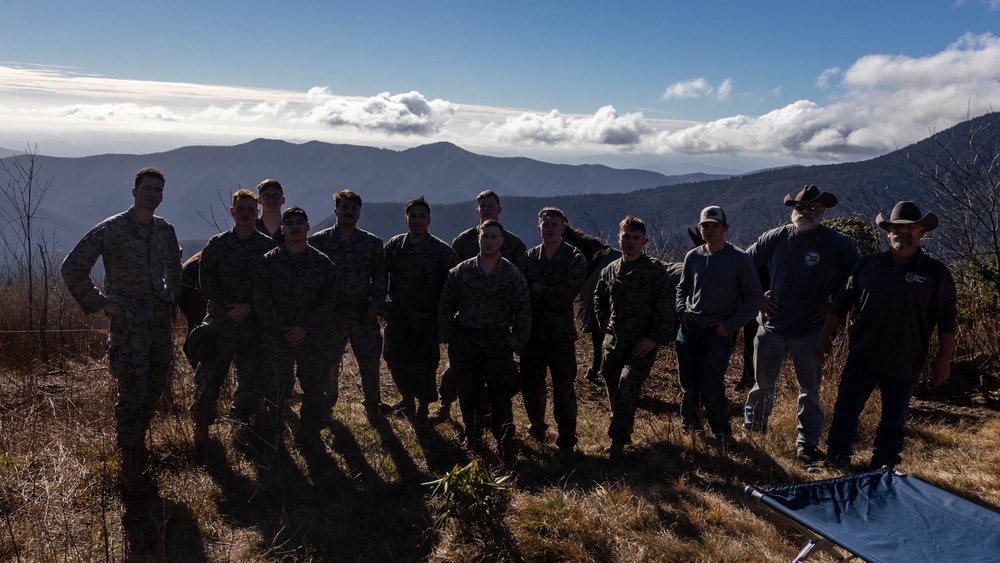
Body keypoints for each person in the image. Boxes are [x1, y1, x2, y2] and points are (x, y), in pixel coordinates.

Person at [60, 167, 182, 498]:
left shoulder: (164, 230)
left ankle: (139, 449)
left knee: (155, 388)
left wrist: (171, 292)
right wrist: (100, 302)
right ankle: (130, 465)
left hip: (159, 325)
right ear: (134, 192)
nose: (152, 194)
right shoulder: (112, 229)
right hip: (129, 329)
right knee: (131, 393)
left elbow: (175, 263)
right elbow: (72, 267)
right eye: (147, 189)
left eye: (158, 190)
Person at [820, 201, 957, 471]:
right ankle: (836, 460)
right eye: (897, 227)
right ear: (887, 231)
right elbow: (842, 302)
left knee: (893, 419)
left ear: (921, 232)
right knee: (845, 412)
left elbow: (947, 320)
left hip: (905, 359)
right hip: (862, 354)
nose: (902, 232)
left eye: (910, 227)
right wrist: (825, 335)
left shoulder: (935, 273)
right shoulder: (868, 264)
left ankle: (883, 467)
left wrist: (944, 360)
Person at [743, 185, 860, 463]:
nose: (806, 212)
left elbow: (859, 277)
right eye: (800, 207)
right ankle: (754, 434)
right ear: (792, 209)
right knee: (761, 385)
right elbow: (743, 265)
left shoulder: (837, 243)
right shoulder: (776, 237)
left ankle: (806, 444)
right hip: (771, 327)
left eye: (813, 208)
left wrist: (834, 307)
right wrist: (757, 297)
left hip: (810, 332)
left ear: (823, 211)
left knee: (810, 389)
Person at [439, 219, 531, 467]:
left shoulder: (512, 274)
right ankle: (473, 436)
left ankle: (503, 438)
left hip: (497, 340)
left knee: (501, 393)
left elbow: (523, 310)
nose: (488, 241)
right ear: (478, 239)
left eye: (493, 237)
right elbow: (446, 305)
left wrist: (515, 341)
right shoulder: (461, 272)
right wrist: (449, 335)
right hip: (466, 339)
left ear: (501, 241)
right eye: (485, 236)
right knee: (469, 391)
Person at [190, 189, 277, 445]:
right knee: (207, 381)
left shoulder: (267, 247)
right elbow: (206, 282)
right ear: (232, 212)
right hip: (220, 326)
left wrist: (249, 306)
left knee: (250, 383)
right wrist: (231, 308)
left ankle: (244, 429)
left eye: (251, 209)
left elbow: (273, 286)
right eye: (241, 209)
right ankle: (201, 433)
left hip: (253, 327)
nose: (246, 213)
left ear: (257, 212)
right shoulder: (216, 245)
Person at [436, 189, 527, 420]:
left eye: (491, 205)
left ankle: (496, 425)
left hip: (497, 332)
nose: (487, 209)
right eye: (483, 206)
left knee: (500, 386)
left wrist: (516, 339)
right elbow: (450, 291)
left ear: (499, 209)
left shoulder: (514, 246)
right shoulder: (463, 243)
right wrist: (449, 333)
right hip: (466, 331)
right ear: (477, 211)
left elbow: (522, 298)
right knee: (457, 377)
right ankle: (449, 410)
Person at [675, 206, 764, 445]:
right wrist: (682, 309)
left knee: (712, 386)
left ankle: (722, 434)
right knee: (688, 385)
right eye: (705, 226)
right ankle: (691, 431)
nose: (709, 230)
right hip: (689, 330)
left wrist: (731, 325)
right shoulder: (693, 256)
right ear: (699, 228)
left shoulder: (739, 258)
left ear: (725, 228)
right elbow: (682, 288)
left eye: (715, 226)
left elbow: (754, 297)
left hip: (718, 333)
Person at [253, 206, 338, 449]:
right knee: (277, 386)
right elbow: (261, 300)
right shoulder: (268, 262)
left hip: (312, 337)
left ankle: (310, 432)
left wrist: (304, 328)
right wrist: (285, 330)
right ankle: (274, 433)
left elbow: (328, 302)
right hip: (278, 337)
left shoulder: (323, 264)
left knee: (313, 385)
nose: (295, 227)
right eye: (289, 224)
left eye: (300, 222)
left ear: (308, 227)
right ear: (282, 229)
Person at [593, 216, 674, 462]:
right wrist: (603, 318)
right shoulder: (610, 270)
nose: (630, 242)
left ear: (645, 241)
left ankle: (617, 443)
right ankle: (622, 426)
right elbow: (598, 297)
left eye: (635, 237)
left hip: (641, 344)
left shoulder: (654, 271)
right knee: (613, 386)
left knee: (628, 385)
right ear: (618, 238)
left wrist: (654, 339)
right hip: (614, 342)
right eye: (626, 236)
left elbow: (666, 309)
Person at [309, 189, 391, 417]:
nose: (349, 212)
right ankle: (326, 406)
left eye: (353, 208)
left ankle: (373, 405)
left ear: (359, 213)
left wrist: (375, 306)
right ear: (336, 211)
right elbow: (312, 278)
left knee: (369, 363)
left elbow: (380, 276)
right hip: (331, 315)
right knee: (329, 363)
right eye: (344, 207)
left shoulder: (372, 243)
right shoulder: (319, 242)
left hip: (362, 312)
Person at [516, 208, 588, 458]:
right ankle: (537, 426)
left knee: (563, 388)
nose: (549, 228)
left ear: (563, 228)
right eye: (545, 224)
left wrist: (540, 289)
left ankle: (567, 437)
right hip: (532, 335)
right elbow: (521, 292)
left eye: (554, 224)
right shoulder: (528, 258)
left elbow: (567, 293)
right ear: (539, 229)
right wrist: (547, 291)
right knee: (531, 385)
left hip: (560, 336)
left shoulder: (574, 257)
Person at [383, 197, 458, 423]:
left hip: (427, 320)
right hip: (399, 318)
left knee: (425, 366)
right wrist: (380, 304)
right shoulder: (394, 246)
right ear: (406, 219)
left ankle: (424, 407)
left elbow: (453, 288)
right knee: (395, 360)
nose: (417, 221)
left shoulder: (442, 252)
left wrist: (444, 318)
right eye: (412, 216)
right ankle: (407, 400)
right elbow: (378, 274)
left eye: (421, 216)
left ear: (429, 220)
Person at [255, 179, 286, 245]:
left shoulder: (290, 226)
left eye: (276, 196)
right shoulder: (252, 227)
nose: (271, 199)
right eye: (266, 196)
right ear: (259, 200)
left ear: (283, 200)